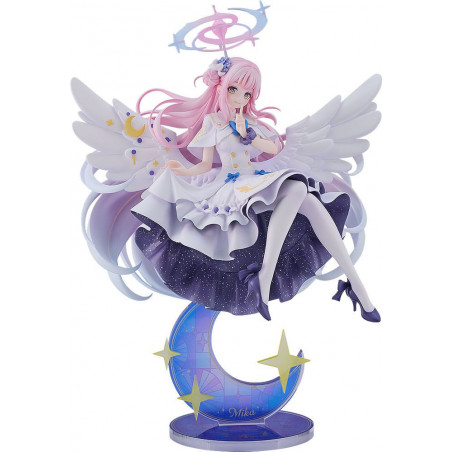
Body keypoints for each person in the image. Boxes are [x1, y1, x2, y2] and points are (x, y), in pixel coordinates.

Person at [73, 56, 382, 322]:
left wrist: (251, 136)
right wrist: (181, 170)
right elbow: (205, 165)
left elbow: (274, 148)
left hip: (257, 178)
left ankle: (355, 285)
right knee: (299, 190)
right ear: (220, 88)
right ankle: (269, 277)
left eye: (247, 93)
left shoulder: (251, 123)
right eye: (233, 89)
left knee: (307, 197)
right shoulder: (212, 124)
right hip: (231, 186)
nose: (239, 98)